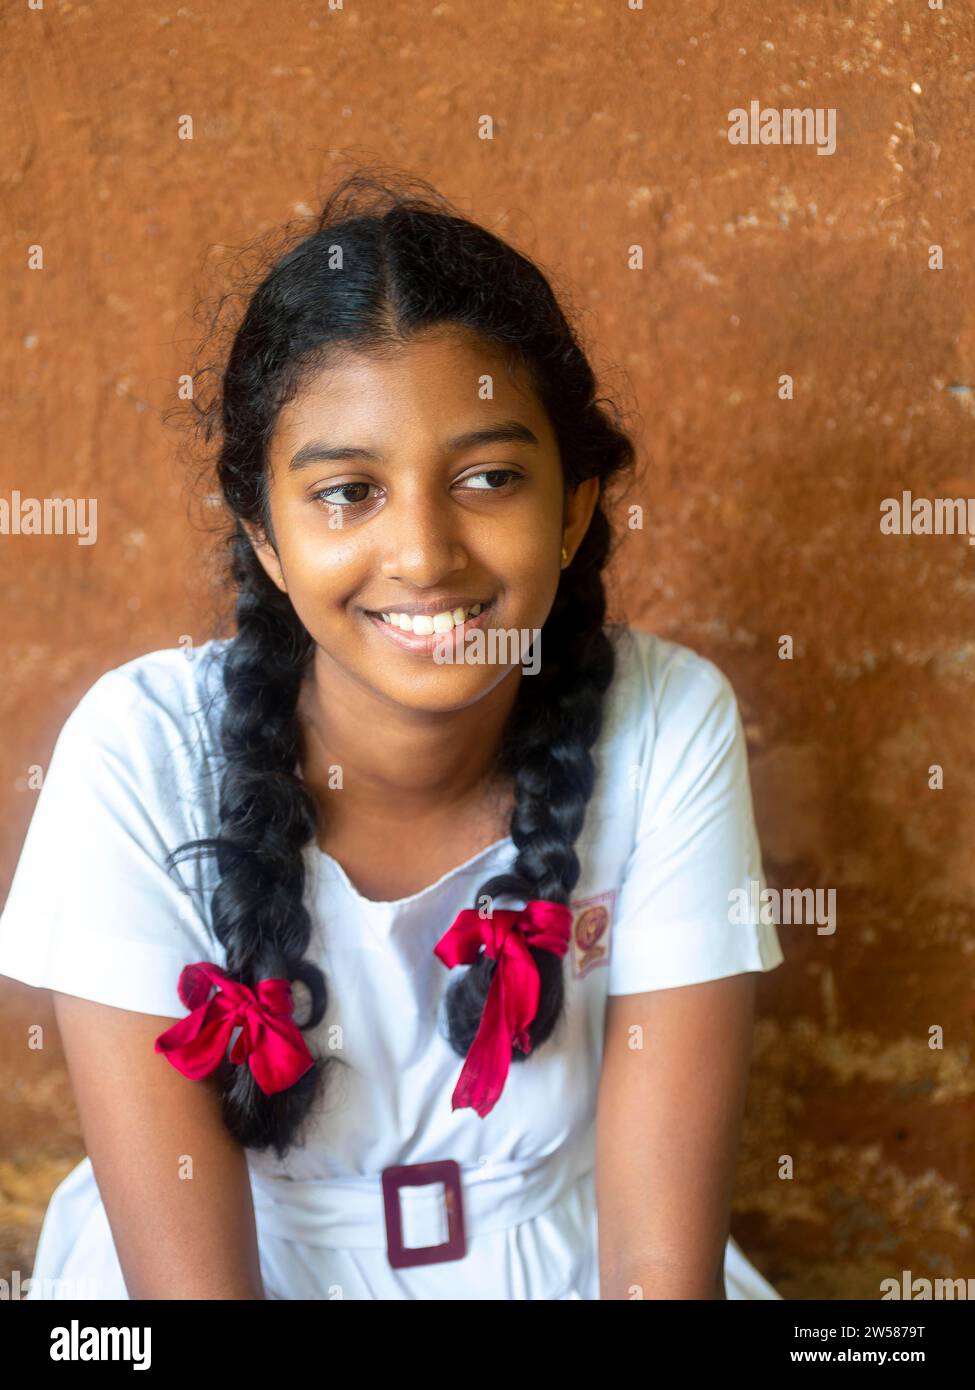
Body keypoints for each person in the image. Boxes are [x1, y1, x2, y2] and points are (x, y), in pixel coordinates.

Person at [0, 171, 784, 1300]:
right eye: (347, 493)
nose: (424, 553)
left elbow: (658, 1275)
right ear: (264, 535)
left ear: (571, 508)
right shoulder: (140, 759)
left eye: (488, 477)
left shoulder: (665, 726)